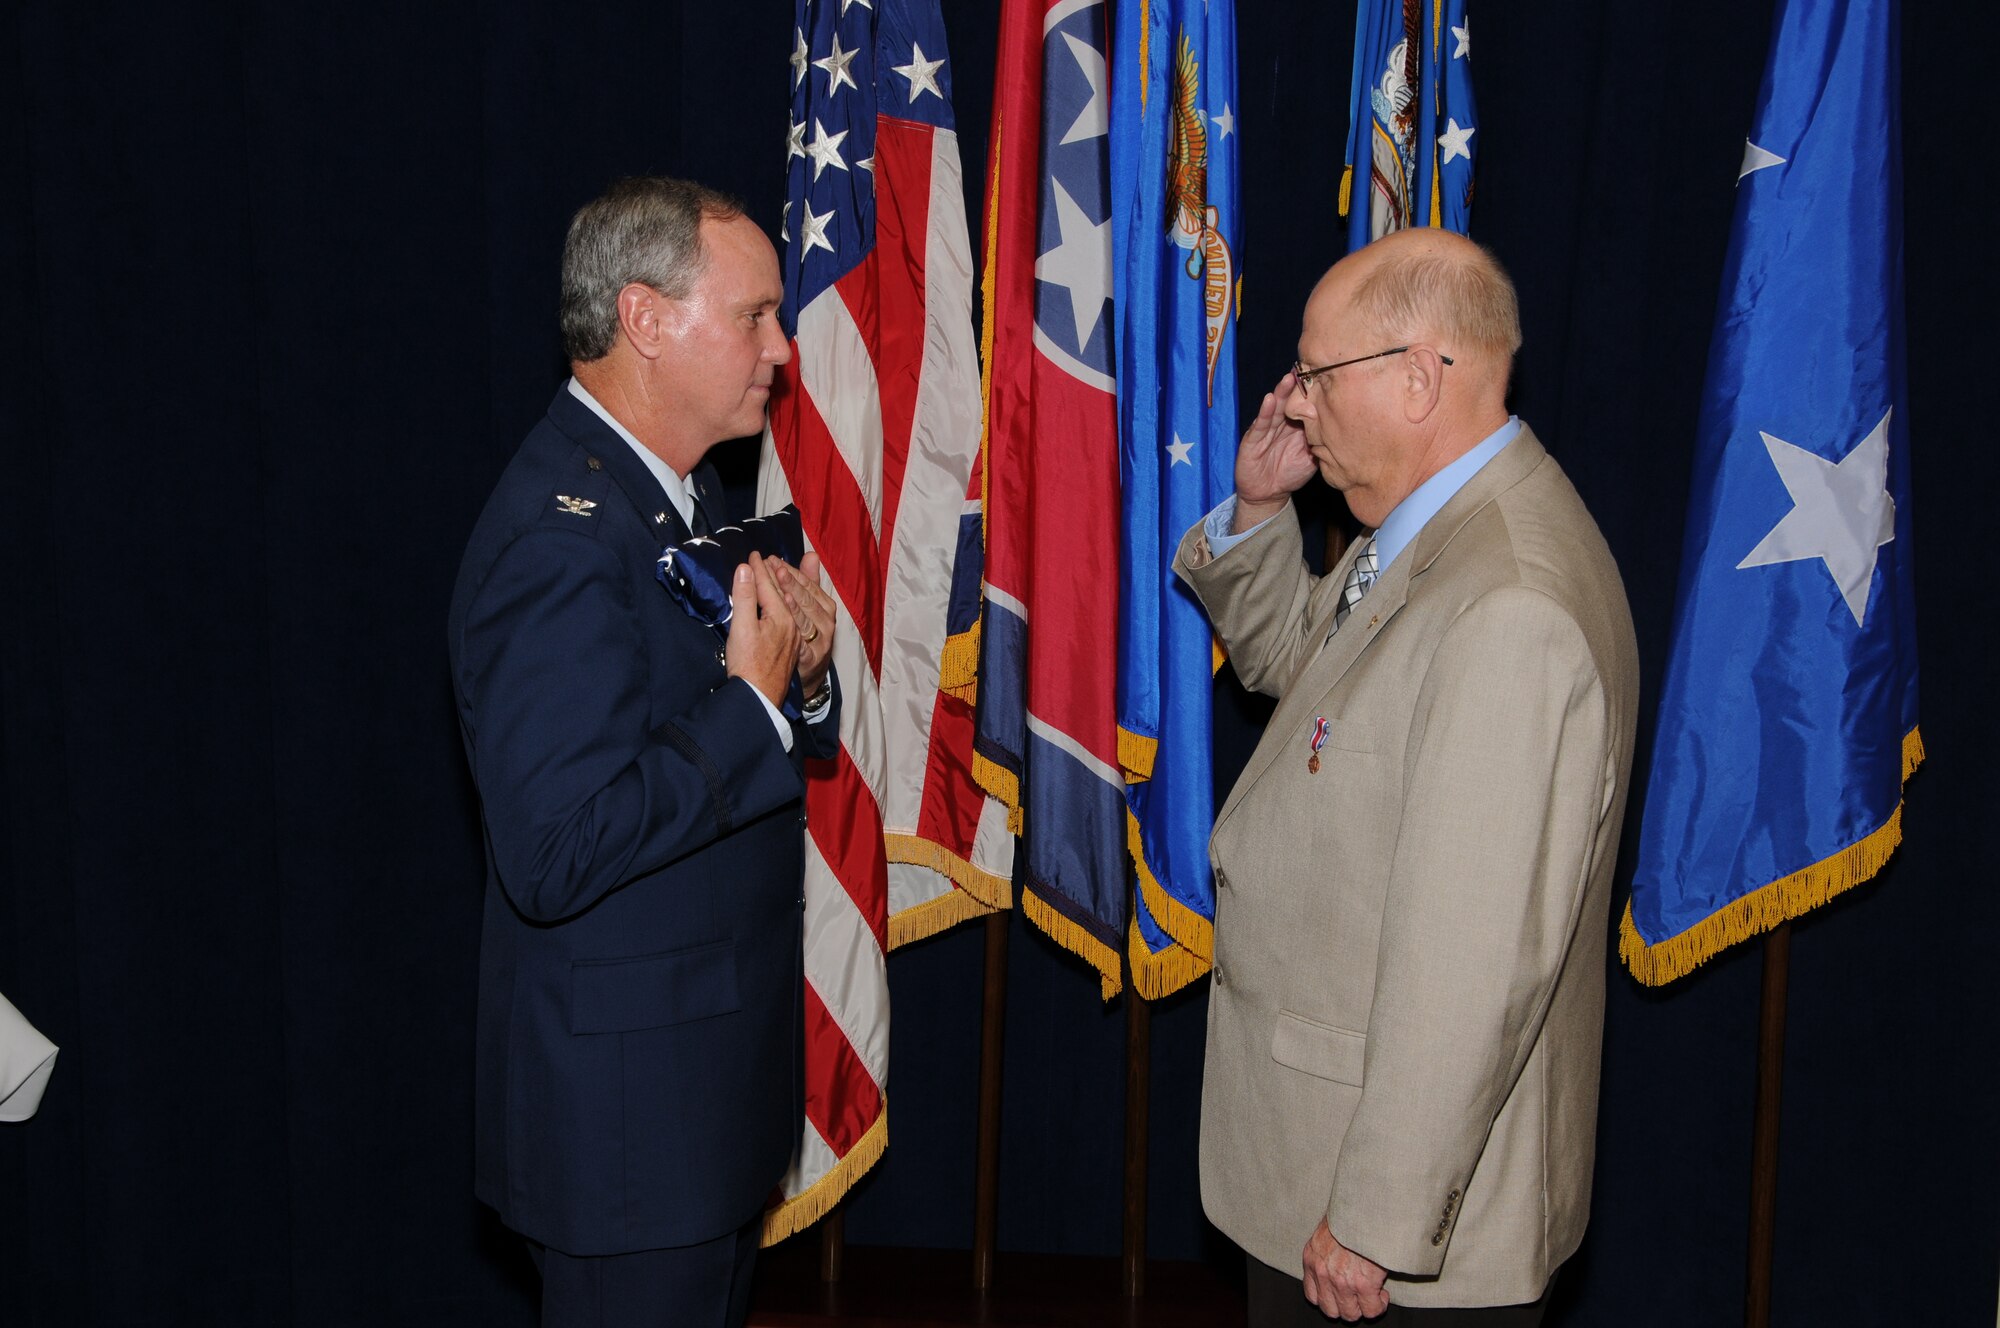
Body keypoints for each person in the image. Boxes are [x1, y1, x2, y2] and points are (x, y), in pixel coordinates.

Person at [1174, 228, 1639, 1325]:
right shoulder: (1439, 536)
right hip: (1324, 1173)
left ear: (1421, 377)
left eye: (1314, 376)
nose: (1291, 405)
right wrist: (1256, 512)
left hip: (1383, 1235)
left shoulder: (1507, 601)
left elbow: (1474, 965)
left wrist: (1376, 1218)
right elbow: (1310, 681)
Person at [447, 176, 839, 1328]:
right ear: (645, 319)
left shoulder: (671, 491)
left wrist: (796, 687)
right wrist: (751, 705)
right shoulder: (555, 541)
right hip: (627, 1132)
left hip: (691, 1105)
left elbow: (713, 731)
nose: (782, 344)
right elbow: (555, 848)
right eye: (754, 315)